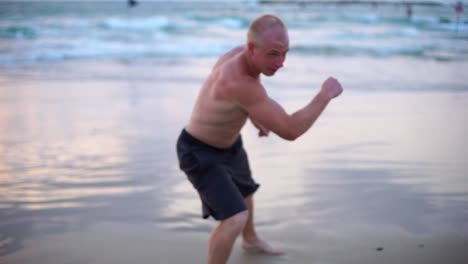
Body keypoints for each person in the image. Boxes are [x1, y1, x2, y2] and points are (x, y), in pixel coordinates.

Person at [176, 14, 343, 264]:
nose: (281, 62)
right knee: (235, 218)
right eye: (274, 54)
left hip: (229, 144)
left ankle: (251, 240)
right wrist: (324, 95)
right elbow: (290, 130)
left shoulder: (242, 57)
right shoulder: (239, 82)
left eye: (285, 53)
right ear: (252, 48)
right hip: (200, 152)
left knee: (245, 190)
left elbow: (234, 101)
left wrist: (255, 117)